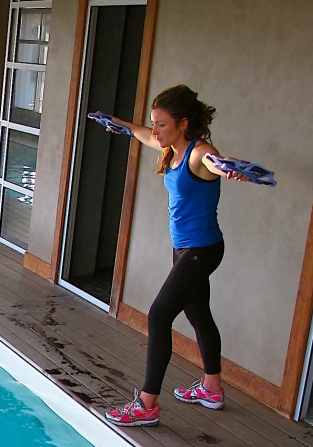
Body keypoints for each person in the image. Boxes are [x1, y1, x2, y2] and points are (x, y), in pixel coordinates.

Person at [96, 85, 252, 427]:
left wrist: (231, 170)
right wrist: (118, 123)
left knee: (159, 314)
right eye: (154, 123)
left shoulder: (199, 154)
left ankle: (147, 404)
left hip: (202, 250)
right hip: (184, 248)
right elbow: (140, 133)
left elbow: (217, 163)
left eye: (162, 124)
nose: (155, 131)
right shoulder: (171, 148)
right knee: (199, 315)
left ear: (183, 123)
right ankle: (212, 387)